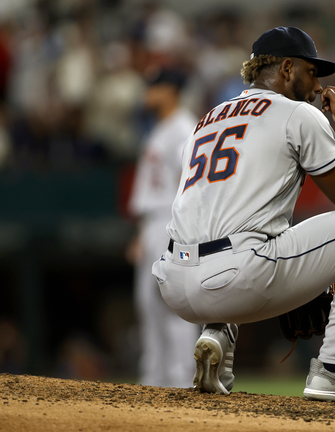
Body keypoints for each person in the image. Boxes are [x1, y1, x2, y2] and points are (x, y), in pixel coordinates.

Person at [153, 27, 335, 404]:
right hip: (234, 278)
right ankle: (333, 370)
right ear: (286, 69)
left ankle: (218, 336)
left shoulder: (206, 120)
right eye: (311, 72)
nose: (317, 87)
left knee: (236, 228)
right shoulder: (296, 113)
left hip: (173, 283)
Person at [127, 68, 200, 387]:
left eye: (154, 86)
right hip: (153, 223)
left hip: (173, 224)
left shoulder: (184, 128)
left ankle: (181, 379)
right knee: (148, 305)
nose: (148, 91)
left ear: (170, 90)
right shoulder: (162, 128)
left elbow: (193, 184)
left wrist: (183, 231)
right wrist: (142, 233)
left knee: (175, 305)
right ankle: (154, 380)